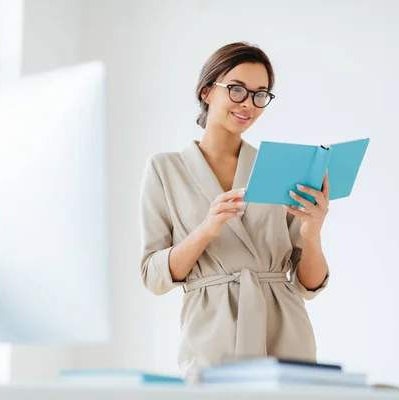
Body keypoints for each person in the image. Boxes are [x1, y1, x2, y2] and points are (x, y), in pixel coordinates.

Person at [139, 42, 330, 383]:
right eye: (238, 89)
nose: (248, 104)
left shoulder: (279, 167)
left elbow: (308, 284)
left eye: (260, 94)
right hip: (212, 332)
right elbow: (154, 276)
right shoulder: (165, 168)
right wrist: (206, 230)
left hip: (285, 331)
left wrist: (312, 233)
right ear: (208, 91)